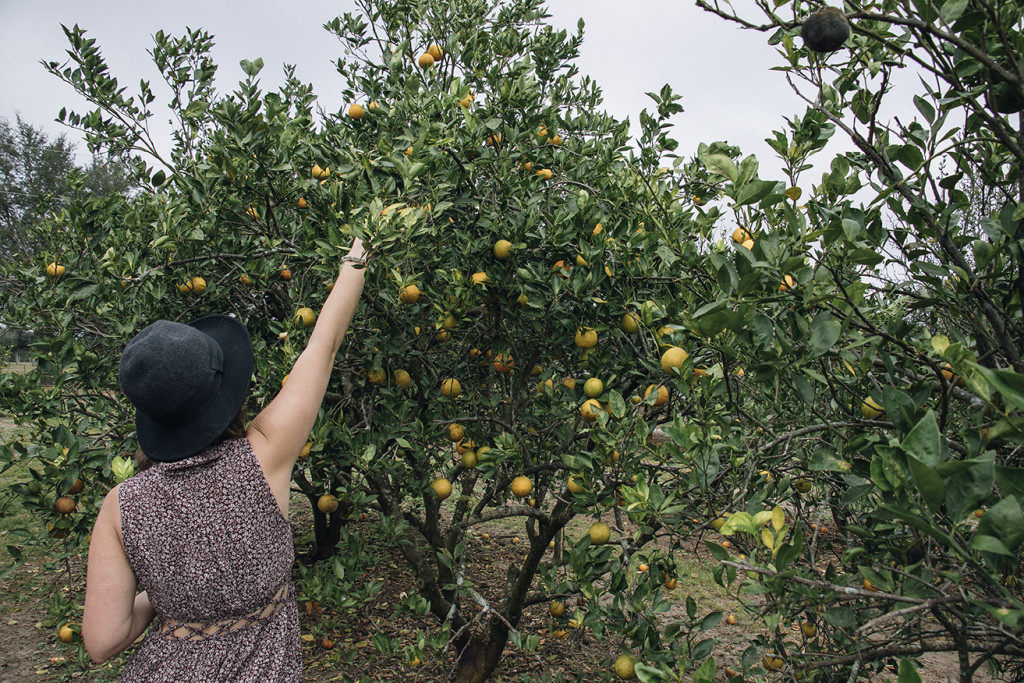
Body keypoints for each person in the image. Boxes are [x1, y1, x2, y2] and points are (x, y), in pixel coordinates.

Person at [82, 238, 368, 681]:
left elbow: (102, 641)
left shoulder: (122, 506)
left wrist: (171, 594)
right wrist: (358, 253)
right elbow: (323, 345)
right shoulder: (264, 454)